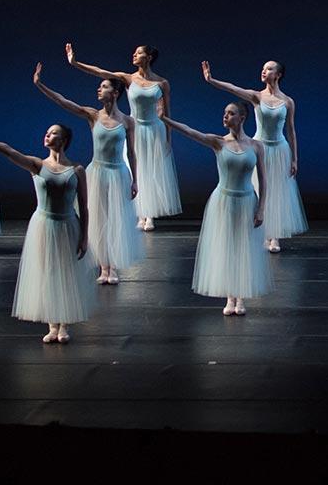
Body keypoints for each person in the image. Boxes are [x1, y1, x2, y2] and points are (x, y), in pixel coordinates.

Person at [0, 125, 96, 343]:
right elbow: (9, 151)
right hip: (44, 225)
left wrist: (84, 236)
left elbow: (84, 205)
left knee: (65, 272)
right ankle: (52, 325)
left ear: (63, 140)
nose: (47, 135)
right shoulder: (37, 165)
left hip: (67, 224)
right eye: (47, 132)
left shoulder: (77, 170)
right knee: (48, 272)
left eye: (53, 133)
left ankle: (64, 324)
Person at [33, 63, 143, 284]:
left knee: (115, 219)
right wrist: (40, 84)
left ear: (116, 92)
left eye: (103, 86)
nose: (98, 90)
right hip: (98, 171)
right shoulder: (93, 116)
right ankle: (103, 266)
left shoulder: (127, 121)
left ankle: (112, 266)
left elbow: (131, 152)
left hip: (118, 172)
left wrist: (135, 181)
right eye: (99, 87)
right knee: (99, 218)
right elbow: (64, 102)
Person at [161, 102, 270, 316]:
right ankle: (231, 296)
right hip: (224, 200)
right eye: (225, 113)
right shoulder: (218, 142)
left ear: (242, 117)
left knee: (244, 248)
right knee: (228, 246)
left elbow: (264, 180)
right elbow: (190, 131)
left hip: (247, 200)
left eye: (231, 113)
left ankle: (241, 295)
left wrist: (262, 209)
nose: (226, 116)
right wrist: (165, 119)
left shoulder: (256, 146)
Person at [67, 43, 181, 230]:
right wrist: (75, 63)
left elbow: (167, 114)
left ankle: (149, 214)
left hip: (154, 131)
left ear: (148, 57)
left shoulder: (162, 83)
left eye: (138, 53)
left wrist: (168, 139)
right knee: (136, 169)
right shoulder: (128, 78)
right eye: (134, 52)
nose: (134, 55)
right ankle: (139, 213)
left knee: (151, 171)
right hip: (135, 127)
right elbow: (100, 72)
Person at [202, 60, 308, 251]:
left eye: (269, 69)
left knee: (276, 191)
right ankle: (259, 232)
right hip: (259, 147)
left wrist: (294, 158)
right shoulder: (257, 97)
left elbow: (291, 131)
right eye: (263, 68)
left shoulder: (287, 102)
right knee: (257, 189)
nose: (264, 71)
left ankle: (273, 236)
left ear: (278, 75)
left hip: (279, 150)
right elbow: (234, 89)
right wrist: (211, 80)